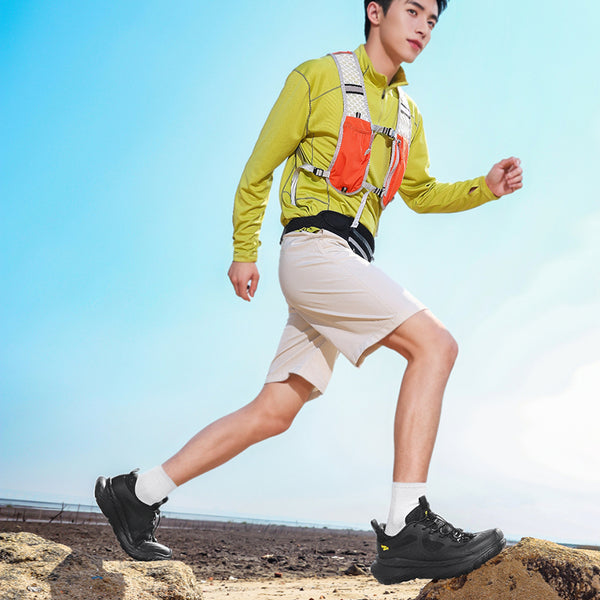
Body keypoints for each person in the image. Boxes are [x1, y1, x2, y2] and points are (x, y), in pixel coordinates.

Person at [95, 0, 523, 585]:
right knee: (436, 345)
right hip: (313, 250)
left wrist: (485, 187)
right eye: (413, 10)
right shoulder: (318, 76)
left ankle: (138, 492)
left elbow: (420, 192)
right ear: (375, 11)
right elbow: (259, 168)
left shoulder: (407, 112)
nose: (424, 27)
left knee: (275, 411)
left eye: (433, 19)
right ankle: (405, 524)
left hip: (346, 262)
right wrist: (244, 249)